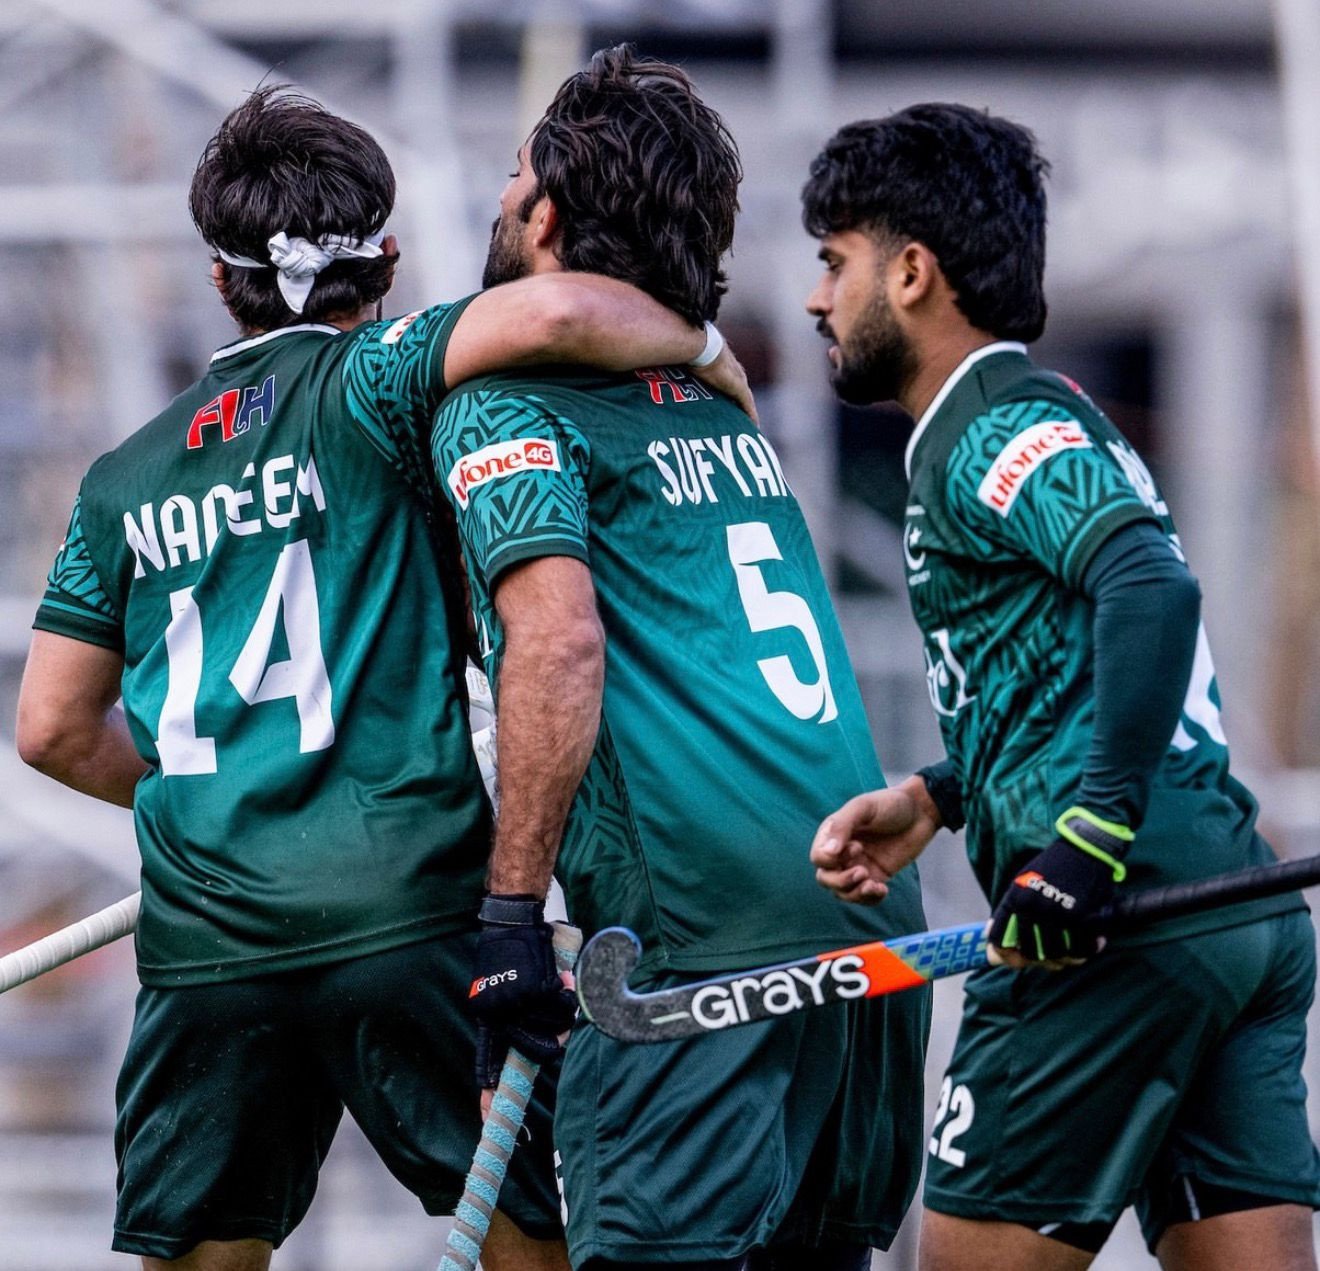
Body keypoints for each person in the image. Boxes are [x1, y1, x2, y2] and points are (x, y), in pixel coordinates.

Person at [14, 85, 751, 1271]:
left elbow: (50, 727)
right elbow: (565, 306)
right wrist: (715, 357)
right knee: (528, 1243)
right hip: (405, 911)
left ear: (219, 277)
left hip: (209, 940)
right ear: (389, 260)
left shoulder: (121, 476)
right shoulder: (379, 378)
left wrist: (229, 796)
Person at [430, 47, 930, 1271]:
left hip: (698, 948)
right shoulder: (724, 408)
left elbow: (561, 639)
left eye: (512, 176)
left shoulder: (505, 404)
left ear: (546, 219)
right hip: (868, 922)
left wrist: (508, 916)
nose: (501, 197)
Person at [802, 103, 1320, 1271]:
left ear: (913, 273)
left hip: (1109, 920)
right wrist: (940, 794)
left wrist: (1089, 839)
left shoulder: (993, 428)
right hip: (1225, 908)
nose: (816, 299)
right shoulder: (1036, 417)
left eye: (835, 262)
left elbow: (1149, 587)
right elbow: (1068, 661)